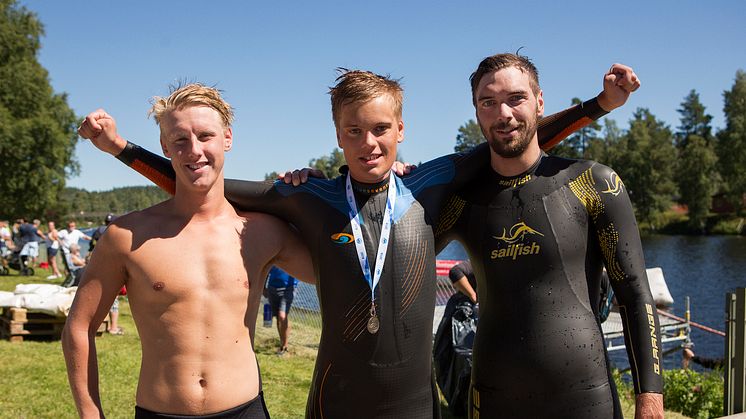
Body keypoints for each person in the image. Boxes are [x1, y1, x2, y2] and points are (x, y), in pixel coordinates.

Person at [81, 66, 636, 418]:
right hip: (334, 403)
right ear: (337, 134)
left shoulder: (433, 184)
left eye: (379, 129)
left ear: (400, 131)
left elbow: (516, 135)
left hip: (420, 406)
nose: (368, 143)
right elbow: (199, 175)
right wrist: (121, 148)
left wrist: (598, 106)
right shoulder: (309, 197)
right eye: (353, 131)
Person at [66, 83, 314, 418]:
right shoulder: (127, 235)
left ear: (227, 138)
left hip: (245, 410)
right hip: (160, 411)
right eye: (180, 140)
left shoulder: (262, 232)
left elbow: (336, 274)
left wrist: (315, 204)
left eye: (205, 136)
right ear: (164, 146)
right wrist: (90, 414)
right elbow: (79, 328)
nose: (194, 150)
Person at [436, 53, 662, 418]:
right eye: (488, 103)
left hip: (586, 400)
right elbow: (402, 250)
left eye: (516, 98)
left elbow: (635, 295)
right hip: (493, 400)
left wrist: (649, 398)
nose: (503, 113)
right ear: (477, 112)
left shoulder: (593, 183)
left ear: (540, 101)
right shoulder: (462, 201)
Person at [265, 266, 299, 355]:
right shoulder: (272, 252)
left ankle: (285, 346)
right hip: (272, 287)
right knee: (278, 317)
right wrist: (263, 287)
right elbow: (266, 269)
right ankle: (282, 344)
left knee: (282, 315)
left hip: (289, 288)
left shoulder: (294, 252)